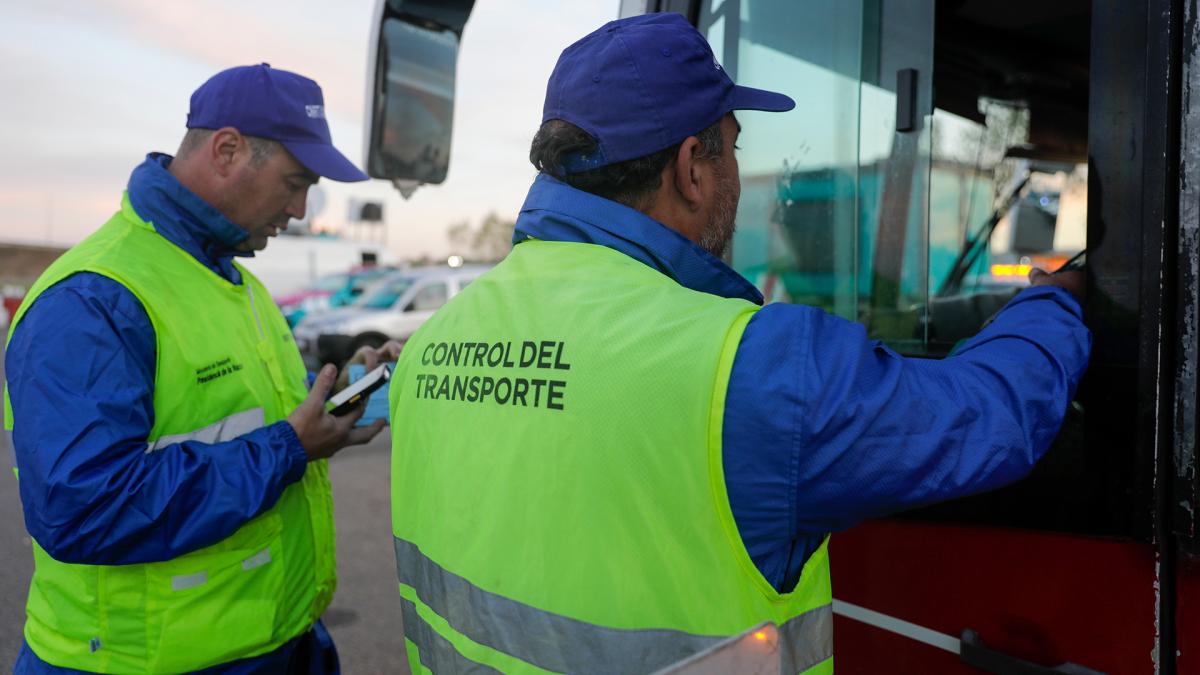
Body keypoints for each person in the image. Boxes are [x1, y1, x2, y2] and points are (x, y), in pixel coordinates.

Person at [387, 13, 1091, 675]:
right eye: (734, 150)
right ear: (693, 166)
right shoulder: (751, 368)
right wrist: (1052, 303)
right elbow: (990, 415)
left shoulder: (429, 348)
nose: (738, 179)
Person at [3, 64, 399, 674]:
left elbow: (246, 419)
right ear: (227, 150)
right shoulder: (94, 298)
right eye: (294, 183)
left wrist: (338, 399)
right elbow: (83, 509)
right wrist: (289, 448)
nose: (298, 209)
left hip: (276, 642)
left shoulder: (238, 283)